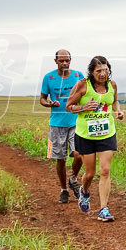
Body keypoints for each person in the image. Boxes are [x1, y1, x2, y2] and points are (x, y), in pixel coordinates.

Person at [66, 55, 124, 222]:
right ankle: (84, 192)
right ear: (91, 72)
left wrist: (118, 110)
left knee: (105, 170)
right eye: (98, 71)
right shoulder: (82, 85)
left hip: (107, 133)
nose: (103, 73)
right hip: (85, 134)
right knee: (90, 173)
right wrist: (84, 107)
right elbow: (68, 106)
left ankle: (103, 209)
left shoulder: (112, 85)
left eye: (105, 70)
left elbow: (114, 101)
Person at [40, 49, 84, 204]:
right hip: (57, 124)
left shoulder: (78, 76)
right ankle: (63, 190)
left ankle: (73, 179)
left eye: (67, 60)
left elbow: (85, 95)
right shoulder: (48, 77)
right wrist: (49, 104)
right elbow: (42, 99)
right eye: (61, 61)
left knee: (79, 154)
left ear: (70, 60)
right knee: (60, 159)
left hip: (76, 122)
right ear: (55, 61)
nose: (65, 63)